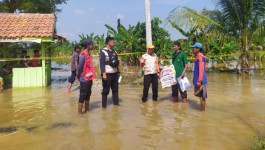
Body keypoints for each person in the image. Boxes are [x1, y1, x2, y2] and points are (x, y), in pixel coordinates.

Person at [99, 37, 120, 108]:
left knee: (115, 89)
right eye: (112, 41)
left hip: (115, 74)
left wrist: (118, 71)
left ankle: (116, 105)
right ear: (108, 42)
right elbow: (102, 64)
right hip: (107, 74)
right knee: (105, 90)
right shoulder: (103, 52)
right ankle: (104, 107)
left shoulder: (115, 52)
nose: (114, 43)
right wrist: (103, 73)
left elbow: (117, 63)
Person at [77, 39, 96, 116]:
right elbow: (80, 67)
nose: (93, 46)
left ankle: (87, 110)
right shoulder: (83, 55)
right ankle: (79, 113)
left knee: (88, 95)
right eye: (92, 44)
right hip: (84, 79)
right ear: (88, 46)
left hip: (89, 78)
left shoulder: (88, 54)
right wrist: (79, 77)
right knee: (82, 96)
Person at [192, 43, 207, 112]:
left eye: (194, 48)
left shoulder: (201, 58)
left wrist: (199, 81)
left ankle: (203, 112)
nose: (193, 49)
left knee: (202, 97)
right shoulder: (197, 57)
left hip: (200, 81)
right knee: (200, 97)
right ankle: (202, 110)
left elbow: (201, 70)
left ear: (198, 49)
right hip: (198, 80)